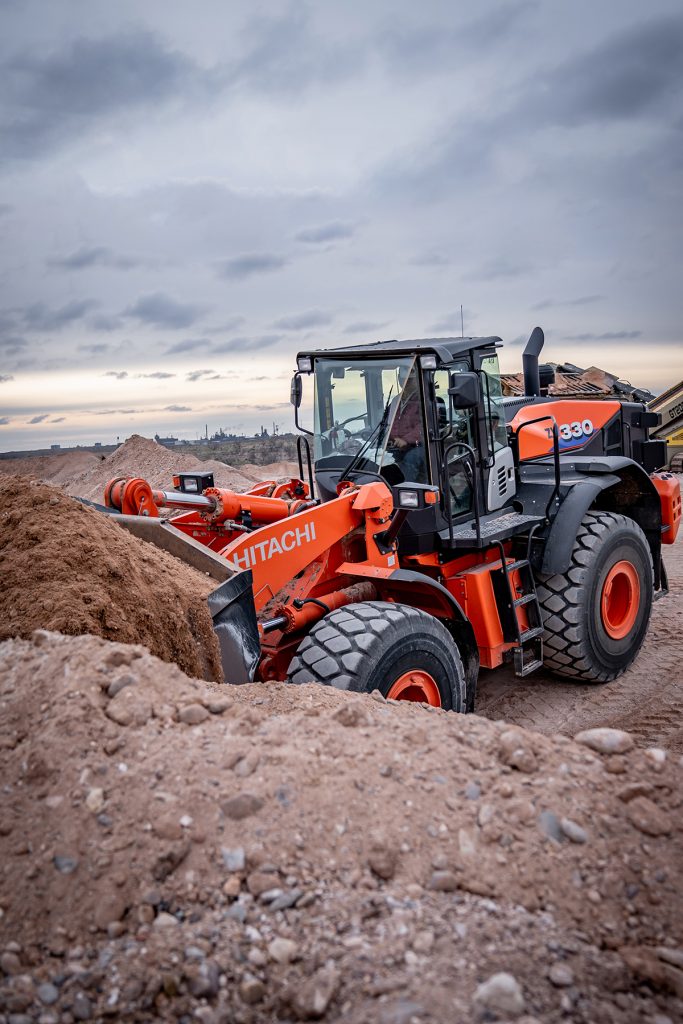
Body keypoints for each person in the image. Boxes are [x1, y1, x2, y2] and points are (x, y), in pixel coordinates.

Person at [388, 372, 427, 482]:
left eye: (409, 379)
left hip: (420, 445)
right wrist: (390, 439)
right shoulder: (396, 400)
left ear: (417, 379)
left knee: (411, 458)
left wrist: (406, 439)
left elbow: (424, 425)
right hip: (397, 444)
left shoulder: (424, 399)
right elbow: (389, 422)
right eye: (402, 379)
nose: (405, 382)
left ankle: (407, 488)